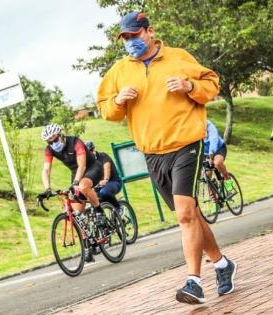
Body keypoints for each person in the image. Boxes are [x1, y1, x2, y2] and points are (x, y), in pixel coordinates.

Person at [96, 11, 237, 304]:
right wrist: (119, 100)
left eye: (135, 35)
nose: (130, 42)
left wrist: (190, 87)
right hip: (153, 153)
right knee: (192, 215)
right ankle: (222, 264)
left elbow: (212, 83)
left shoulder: (178, 57)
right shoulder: (120, 71)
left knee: (185, 215)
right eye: (126, 38)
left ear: (149, 31)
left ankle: (194, 282)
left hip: (186, 144)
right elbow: (106, 109)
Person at [37, 123, 105, 262]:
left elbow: (82, 165)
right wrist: (47, 189)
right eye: (49, 142)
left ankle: (99, 212)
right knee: (76, 214)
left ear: (61, 135)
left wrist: (75, 183)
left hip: (92, 168)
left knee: (83, 186)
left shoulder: (75, 142)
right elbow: (46, 170)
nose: (53, 143)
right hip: (76, 174)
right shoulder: (49, 150)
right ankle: (87, 245)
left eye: (55, 140)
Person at [203, 120, 233, 214]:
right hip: (205, 154)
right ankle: (215, 202)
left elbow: (214, 138)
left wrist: (211, 152)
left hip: (218, 148)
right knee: (206, 176)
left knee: (217, 163)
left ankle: (227, 179)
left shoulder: (208, 124)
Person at [84, 141, 123, 211]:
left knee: (104, 192)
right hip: (98, 187)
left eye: (90, 152)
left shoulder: (103, 156)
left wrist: (105, 179)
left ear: (94, 150)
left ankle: (118, 207)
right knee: (92, 202)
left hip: (113, 182)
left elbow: (107, 167)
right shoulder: (88, 163)